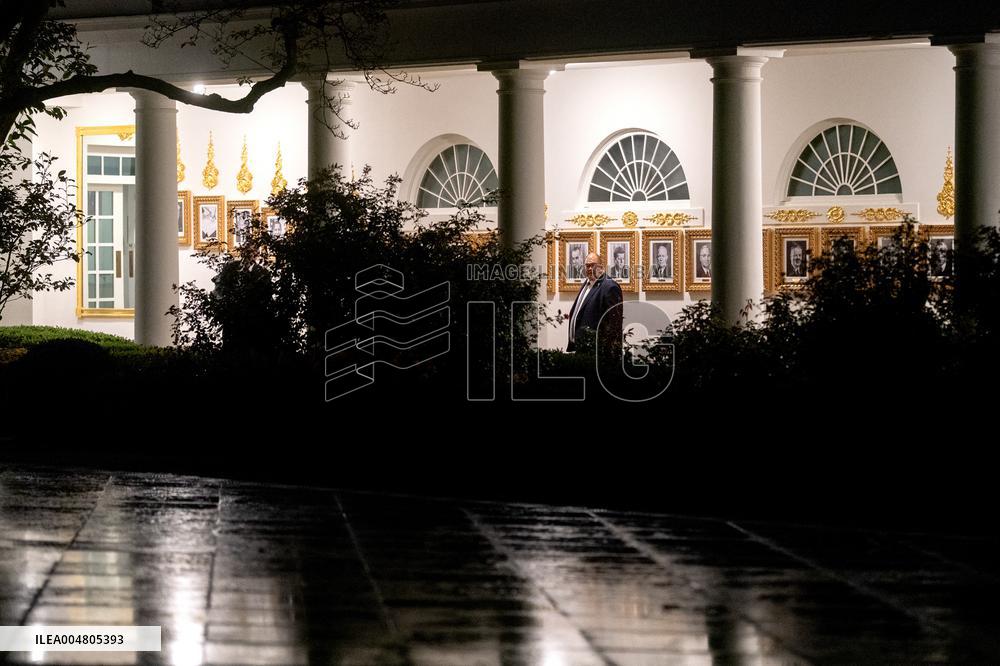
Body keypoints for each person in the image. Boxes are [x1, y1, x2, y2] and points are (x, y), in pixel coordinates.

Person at [566, 252, 624, 353]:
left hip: (597, 352)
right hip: (580, 349)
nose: (589, 268)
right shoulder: (586, 283)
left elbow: (614, 324)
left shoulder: (610, 287)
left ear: (601, 267)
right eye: (587, 265)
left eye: (593, 265)